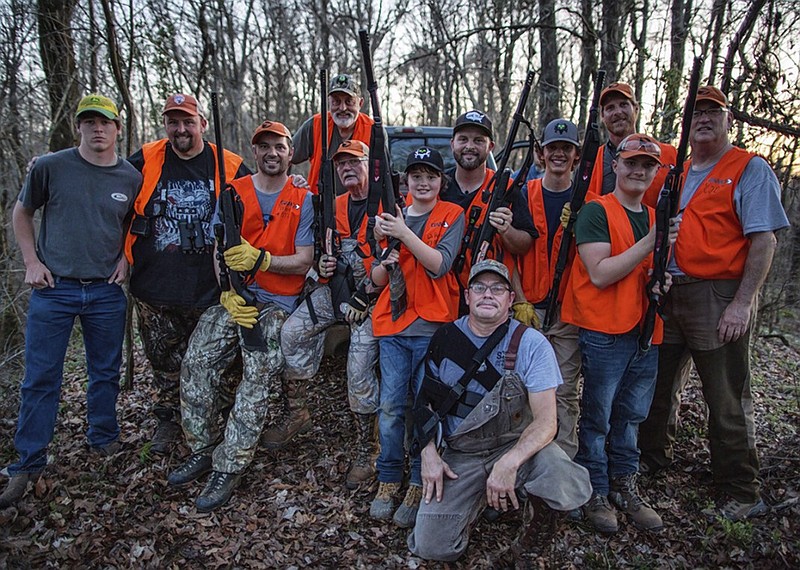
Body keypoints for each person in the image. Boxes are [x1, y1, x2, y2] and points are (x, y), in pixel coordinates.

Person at [638, 86, 790, 521]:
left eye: (713, 112)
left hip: (719, 294)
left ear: (728, 120)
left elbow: (764, 240)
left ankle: (741, 489)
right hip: (673, 292)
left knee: (724, 395)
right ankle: (653, 457)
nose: (703, 118)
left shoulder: (748, 168)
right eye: (696, 112)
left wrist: (742, 303)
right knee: (659, 385)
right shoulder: (680, 173)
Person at [1, 94, 142, 508]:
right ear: (78, 126)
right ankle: (29, 461)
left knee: (104, 372)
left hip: (104, 290)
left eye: (105, 122)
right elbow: (21, 212)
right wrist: (30, 262)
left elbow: (134, 221)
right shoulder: (51, 167)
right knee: (41, 378)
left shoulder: (130, 177)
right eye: (89, 121)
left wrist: (124, 259)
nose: (98, 129)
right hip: (53, 288)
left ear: (118, 128)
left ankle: (103, 438)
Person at [166, 120, 314, 512]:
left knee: (258, 373)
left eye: (279, 147)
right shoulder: (235, 193)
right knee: (196, 361)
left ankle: (229, 465)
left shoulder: (304, 197)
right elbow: (220, 250)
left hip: (278, 305)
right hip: (238, 298)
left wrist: (262, 259)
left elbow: (304, 260)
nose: (272, 153)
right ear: (255, 152)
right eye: (264, 146)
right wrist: (228, 292)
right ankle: (204, 447)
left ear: (289, 152)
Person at [407, 259, 592, 562]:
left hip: (514, 445)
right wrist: (428, 453)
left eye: (497, 288)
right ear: (467, 297)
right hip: (461, 454)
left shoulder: (533, 344)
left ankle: (529, 546)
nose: (488, 294)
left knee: (560, 474)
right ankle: (477, 498)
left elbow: (547, 423)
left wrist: (509, 463)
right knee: (431, 547)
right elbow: (423, 402)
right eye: (479, 287)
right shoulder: (444, 338)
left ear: (510, 299)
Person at [561, 133, 678, 534]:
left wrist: (661, 282)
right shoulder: (596, 212)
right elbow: (601, 272)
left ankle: (625, 483)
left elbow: (651, 273)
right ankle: (595, 487)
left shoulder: (652, 215)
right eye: (632, 163)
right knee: (598, 417)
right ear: (616, 165)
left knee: (631, 416)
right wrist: (652, 242)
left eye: (648, 165)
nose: (638, 171)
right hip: (605, 331)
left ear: (655, 172)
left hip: (646, 330)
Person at [125, 93, 250, 454]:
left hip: (210, 289)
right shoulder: (147, 158)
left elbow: (260, 197)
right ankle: (168, 419)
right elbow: (107, 180)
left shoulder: (228, 163)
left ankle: (217, 420)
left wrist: (298, 186)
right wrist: (57, 165)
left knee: (217, 364)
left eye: (188, 121)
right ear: (165, 125)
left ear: (202, 124)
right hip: (154, 287)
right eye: (173, 122)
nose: (181, 129)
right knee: (163, 361)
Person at [275, 140, 382, 488]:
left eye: (354, 161)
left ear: (370, 164)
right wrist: (323, 264)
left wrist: (365, 294)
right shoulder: (331, 206)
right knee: (291, 333)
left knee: (358, 368)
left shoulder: (389, 204)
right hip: (335, 293)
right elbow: (319, 257)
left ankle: (368, 449)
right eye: (341, 164)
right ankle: (298, 413)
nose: (347, 168)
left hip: (374, 302)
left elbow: (396, 264)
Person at [368, 147, 465, 527]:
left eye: (431, 176)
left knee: (425, 407)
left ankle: (416, 479)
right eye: (415, 176)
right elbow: (375, 279)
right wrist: (384, 259)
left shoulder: (450, 215)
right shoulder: (388, 217)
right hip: (393, 325)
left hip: (433, 326)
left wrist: (403, 232)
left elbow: (440, 265)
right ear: (405, 180)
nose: (423, 183)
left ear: (442, 182)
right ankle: (389, 476)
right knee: (391, 407)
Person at [517, 118, 583, 458]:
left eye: (566, 148)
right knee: (522, 391)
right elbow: (509, 254)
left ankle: (562, 467)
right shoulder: (523, 193)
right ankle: (521, 465)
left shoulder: (587, 199)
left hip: (569, 311)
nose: (558, 154)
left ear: (576, 155)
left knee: (564, 391)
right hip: (527, 308)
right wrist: (519, 301)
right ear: (541, 154)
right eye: (552, 148)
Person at [441, 110, 538, 320]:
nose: (470, 146)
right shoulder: (437, 186)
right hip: (440, 300)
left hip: (489, 302)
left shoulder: (507, 189)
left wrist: (506, 230)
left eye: (478, 140)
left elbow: (524, 245)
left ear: (490, 147)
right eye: (463, 139)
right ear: (452, 143)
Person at [587, 83, 677, 207]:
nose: (617, 112)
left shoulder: (669, 155)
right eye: (610, 108)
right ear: (602, 115)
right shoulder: (591, 161)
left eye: (623, 104)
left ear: (636, 109)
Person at [292, 73, 374, 195]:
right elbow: (285, 155)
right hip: (319, 207)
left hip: (359, 208)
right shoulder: (316, 125)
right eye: (336, 102)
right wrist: (291, 180)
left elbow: (383, 174)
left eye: (349, 101)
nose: (342, 108)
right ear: (328, 103)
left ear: (360, 103)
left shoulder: (373, 130)